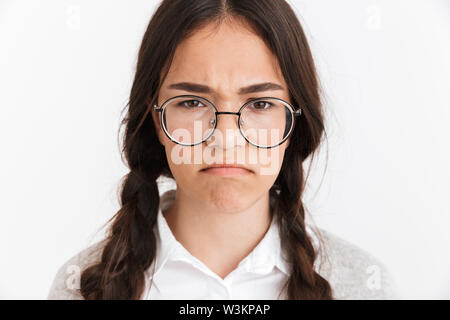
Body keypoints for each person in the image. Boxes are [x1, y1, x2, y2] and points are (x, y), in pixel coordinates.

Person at [48, 0, 398, 300]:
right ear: (156, 121)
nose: (227, 138)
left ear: (295, 123)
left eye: (260, 104)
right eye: (192, 102)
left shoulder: (362, 284)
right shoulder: (83, 286)